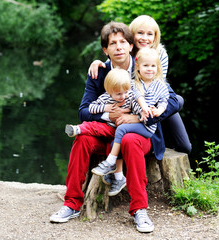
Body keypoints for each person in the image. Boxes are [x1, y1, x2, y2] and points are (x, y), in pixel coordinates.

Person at [49, 21, 180, 233]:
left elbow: (173, 101)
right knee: (81, 137)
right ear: (105, 50)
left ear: (131, 46)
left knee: (128, 138)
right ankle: (71, 203)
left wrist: (137, 118)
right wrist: (109, 113)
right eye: (112, 43)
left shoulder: (143, 68)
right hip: (107, 132)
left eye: (123, 42)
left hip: (139, 135)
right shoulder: (99, 72)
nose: (118, 47)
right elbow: (83, 111)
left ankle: (140, 210)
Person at [88, 15, 192, 195]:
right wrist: (99, 63)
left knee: (185, 144)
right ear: (132, 36)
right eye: (140, 33)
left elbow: (160, 85)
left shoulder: (160, 54)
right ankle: (122, 170)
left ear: (155, 36)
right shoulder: (128, 52)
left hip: (156, 101)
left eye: (150, 34)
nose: (145, 38)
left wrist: (141, 115)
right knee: (126, 131)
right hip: (138, 101)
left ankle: (153, 134)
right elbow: (115, 61)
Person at [91, 47, 169, 184]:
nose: (149, 69)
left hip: (147, 125)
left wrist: (159, 111)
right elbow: (137, 97)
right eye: (146, 66)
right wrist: (143, 108)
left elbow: (164, 101)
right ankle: (117, 174)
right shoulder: (134, 84)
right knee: (121, 131)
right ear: (138, 67)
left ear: (158, 67)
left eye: (153, 66)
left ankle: (110, 160)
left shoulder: (161, 86)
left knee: (121, 129)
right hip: (138, 120)